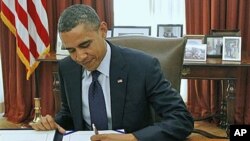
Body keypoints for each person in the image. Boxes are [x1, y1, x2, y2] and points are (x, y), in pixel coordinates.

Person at [30, 4, 194, 141]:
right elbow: (69, 114)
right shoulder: (67, 67)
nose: (79, 57)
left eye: (85, 45)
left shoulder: (143, 67)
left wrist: (132, 138)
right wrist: (52, 124)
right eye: (71, 50)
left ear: (103, 30)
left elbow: (181, 119)